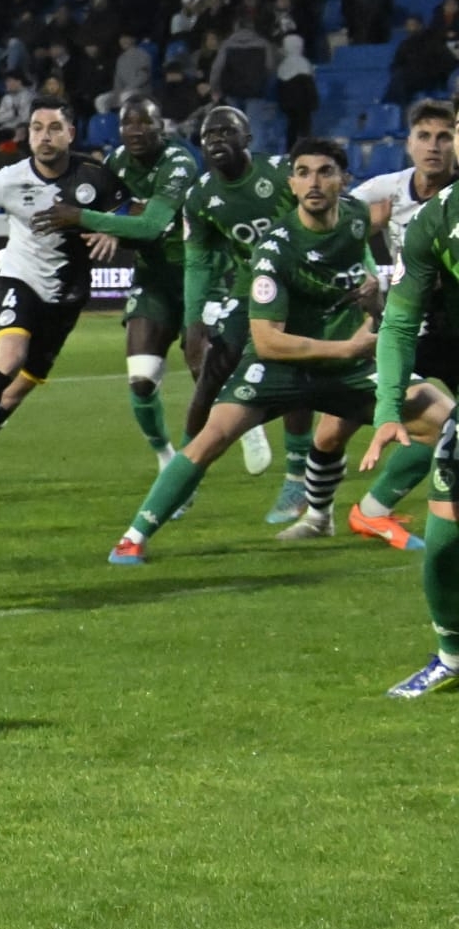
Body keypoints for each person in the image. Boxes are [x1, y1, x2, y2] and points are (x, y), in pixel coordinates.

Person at [108, 140, 449, 564]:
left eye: (325, 172)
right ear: (291, 182)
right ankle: (133, 536)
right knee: (211, 438)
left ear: (345, 181)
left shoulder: (358, 219)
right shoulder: (275, 248)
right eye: (303, 172)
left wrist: (371, 299)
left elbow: (363, 284)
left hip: (347, 368)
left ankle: (374, 511)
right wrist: (349, 346)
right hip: (279, 368)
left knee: (448, 425)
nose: (314, 182)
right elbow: (268, 340)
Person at [0, 95, 129, 489]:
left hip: (67, 295)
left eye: (53, 129)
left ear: (70, 133)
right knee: (9, 356)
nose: (44, 137)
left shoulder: (95, 176)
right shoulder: (8, 179)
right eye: (36, 128)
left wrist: (110, 227)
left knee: (15, 393)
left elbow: (130, 210)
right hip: (19, 277)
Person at [33, 97, 200, 468]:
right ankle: (166, 458)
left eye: (145, 123)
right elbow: (120, 216)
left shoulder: (179, 162)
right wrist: (111, 223)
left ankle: (210, 450)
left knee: (204, 369)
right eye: (128, 124)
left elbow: (152, 225)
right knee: (141, 380)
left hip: (195, 274)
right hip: (152, 277)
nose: (135, 131)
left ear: (162, 127)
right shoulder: (116, 163)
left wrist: (85, 217)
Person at [181, 105, 319, 521]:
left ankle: (297, 480)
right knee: (210, 376)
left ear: (248, 139)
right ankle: (182, 476)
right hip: (251, 287)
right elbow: (198, 262)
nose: (217, 140)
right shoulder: (201, 196)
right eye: (208, 135)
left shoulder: (281, 174)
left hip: (302, 287)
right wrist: (193, 322)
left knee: (297, 376)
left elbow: (332, 213)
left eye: (227, 131)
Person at [363, 150, 459, 694]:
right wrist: (386, 409)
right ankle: (452, 655)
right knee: (444, 545)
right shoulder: (434, 220)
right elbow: (399, 323)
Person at [346, 100, 459, 550]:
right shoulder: (381, 191)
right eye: (425, 137)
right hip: (397, 320)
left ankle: (369, 511)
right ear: (408, 143)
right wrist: (365, 241)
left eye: (443, 137)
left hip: (450, 327)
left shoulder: (450, 202)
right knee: (336, 426)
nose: (434, 147)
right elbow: (327, 226)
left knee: (442, 427)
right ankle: (316, 501)